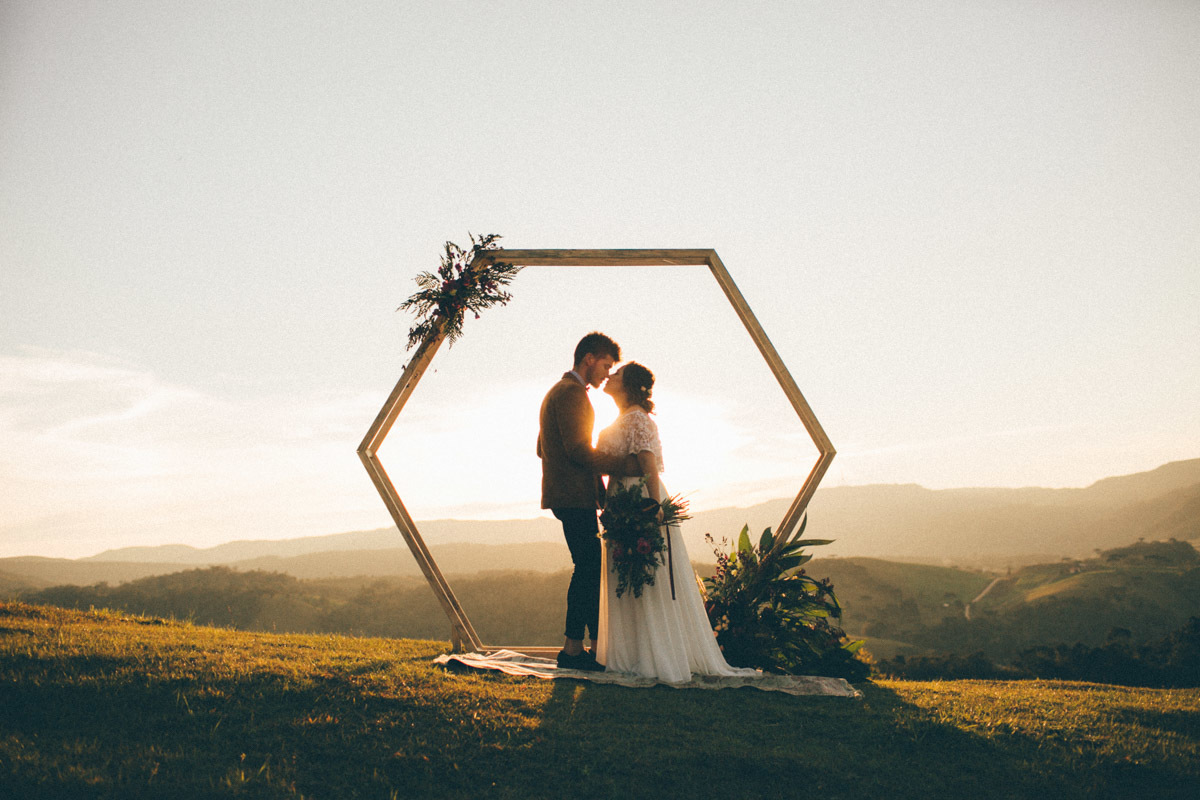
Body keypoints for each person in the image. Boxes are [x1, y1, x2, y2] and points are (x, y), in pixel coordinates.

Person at [595, 362, 758, 682]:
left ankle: (655, 656)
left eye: (617, 374)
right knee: (626, 575)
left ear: (629, 385)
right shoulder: (621, 420)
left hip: (640, 498)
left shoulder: (637, 418)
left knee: (647, 576)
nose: (610, 376)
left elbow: (647, 460)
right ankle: (630, 654)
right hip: (620, 501)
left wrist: (654, 504)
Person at [537, 332, 641, 671]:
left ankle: (589, 648)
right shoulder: (571, 394)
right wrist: (624, 465)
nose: (607, 374)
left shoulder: (559, 391)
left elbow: (541, 447)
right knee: (587, 568)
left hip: (567, 494)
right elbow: (580, 451)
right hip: (572, 496)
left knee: (588, 568)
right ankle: (572, 651)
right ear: (589, 359)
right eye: (606, 366)